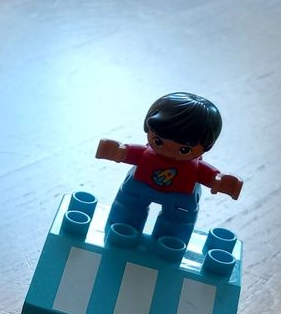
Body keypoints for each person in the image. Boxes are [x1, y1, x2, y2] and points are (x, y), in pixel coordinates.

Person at [96, 92, 242, 243]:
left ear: (207, 146)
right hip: (141, 186)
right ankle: (123, 229)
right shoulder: (146, 154)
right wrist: (119, 152)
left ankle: (169, 243)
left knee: (177, 222)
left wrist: (218, 181)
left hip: (180, 196)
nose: (169, 151)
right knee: (128, 208)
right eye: (158, 141)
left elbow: (209, 176)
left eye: (184, 149)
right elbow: (128, 152)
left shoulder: (194, 167)